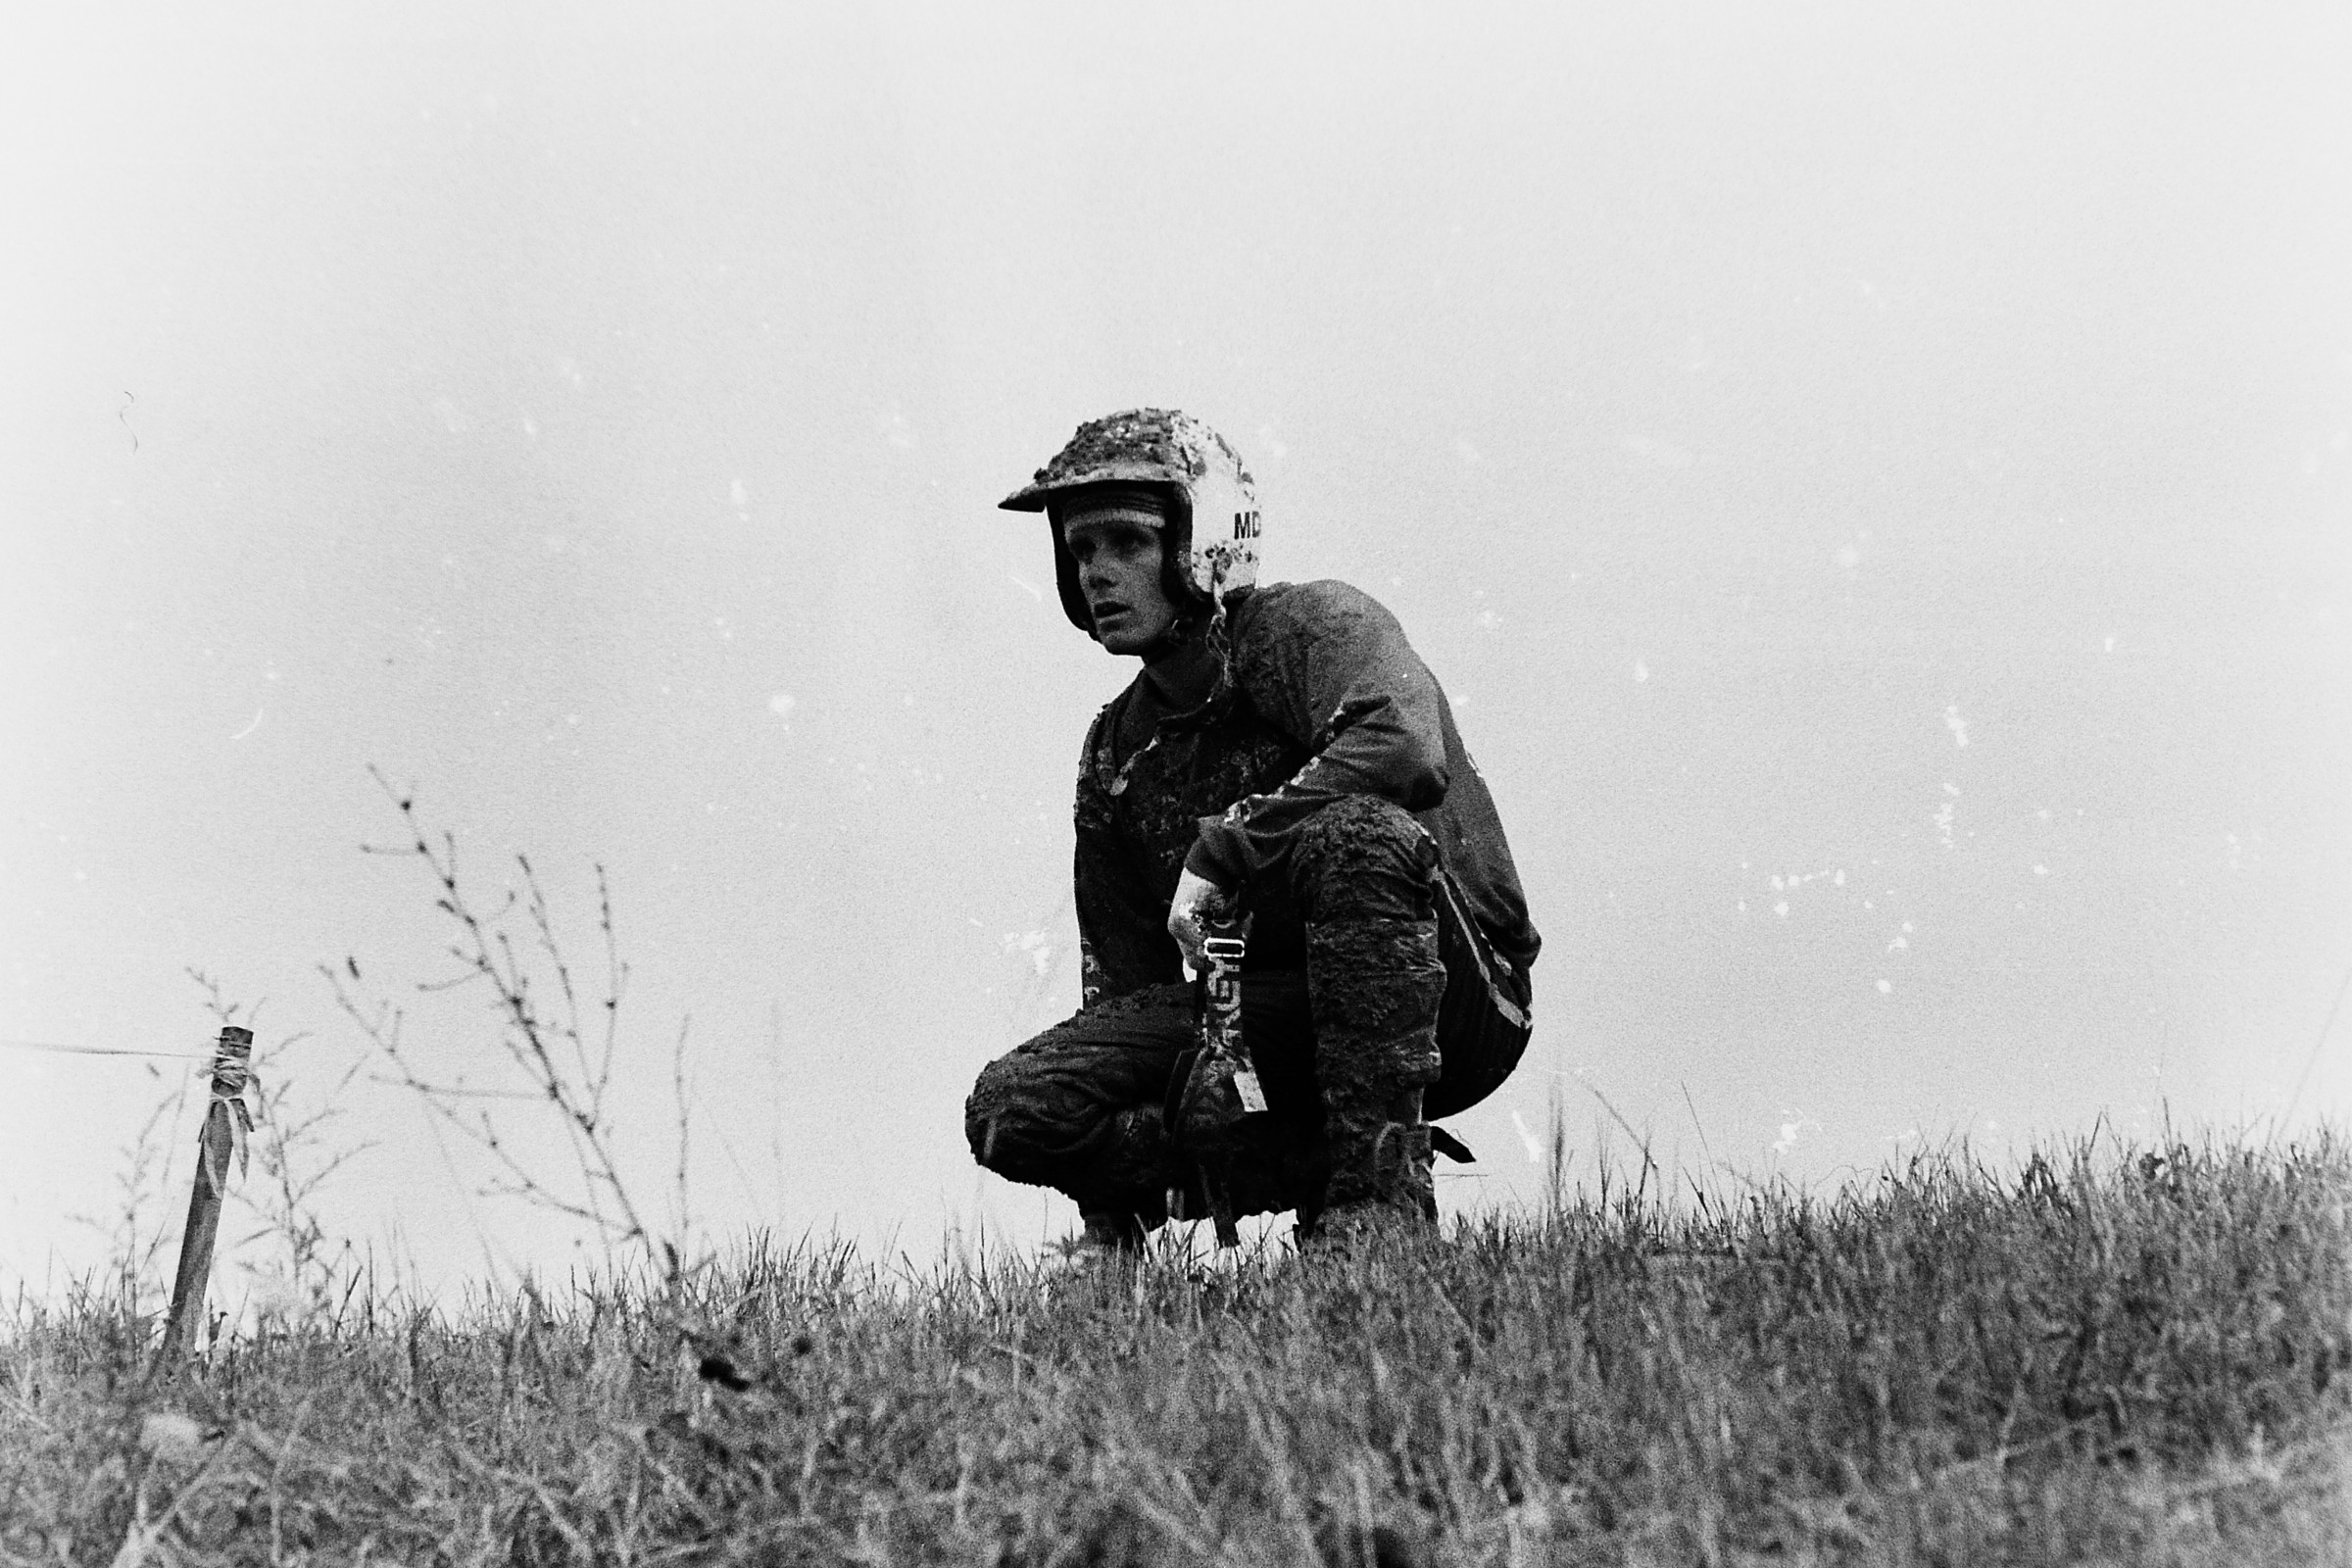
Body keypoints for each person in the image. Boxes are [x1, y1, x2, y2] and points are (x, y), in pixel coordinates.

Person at [963, 409, 1540, 1250]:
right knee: (1013, 1107)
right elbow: (1127, 985)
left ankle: (1378, 1206)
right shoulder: (1116, 750)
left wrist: (1227, 845)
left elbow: (1405, 748)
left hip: (1453, 993)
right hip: (1261, 1016)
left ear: (1203, 542)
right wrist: (1110, 1220)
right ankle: (1314, 1165)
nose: (1096, 573)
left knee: (1357, 838)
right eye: (1080, 550)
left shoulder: (1311, 629)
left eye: (1127, 543)